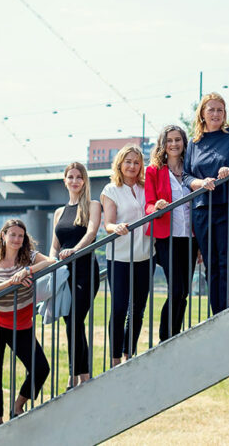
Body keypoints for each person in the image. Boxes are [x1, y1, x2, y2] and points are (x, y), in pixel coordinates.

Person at [0, 219, 55, 423]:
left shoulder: (28, 258)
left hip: (21, 323)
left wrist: (27, 271)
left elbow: (52, 261)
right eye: (12, 234)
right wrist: (11, 282)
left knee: (41, 367)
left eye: (20, 236)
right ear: (3, 236)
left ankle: (18, 404)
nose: (16, 239)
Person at [182, 93, 229, 314]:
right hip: (203, 210)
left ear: (225, 114)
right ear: (202, 113)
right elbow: (186, 176)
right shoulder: (194, 143)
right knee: (211, 264)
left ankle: (227, 312)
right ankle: (216, 313)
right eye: (210, 110)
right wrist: (201, 182)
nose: (215, 114)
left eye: (219, 110)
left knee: (227, 263)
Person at [145, 125, 200, 339]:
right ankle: (164, 337)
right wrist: (156, 207)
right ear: (163, 144)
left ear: (184, 143)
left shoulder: (192, 168)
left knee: (184, 292)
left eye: (178, 140)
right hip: (167, 238)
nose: (174, 144)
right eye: (170, 140)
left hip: (191, 238)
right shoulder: (154, 171)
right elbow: (148, 204)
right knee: (176, 289)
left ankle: (175, 336)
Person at [101, 144, 153, 363]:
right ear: (120, 164)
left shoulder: (146, 187)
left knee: (138, 309)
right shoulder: (111, 189)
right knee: (120, 307)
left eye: (136, 162)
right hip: (120, 258)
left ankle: (127, 353)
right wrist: (117, 227)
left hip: (146, 255)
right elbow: (108, 224)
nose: (132, 166)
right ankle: (114, 359)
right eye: (128, 161)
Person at [51, 161, 101, 387]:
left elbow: (91, 233)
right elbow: (55, 245)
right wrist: (51, 262)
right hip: (63, 273)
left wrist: (74, 251)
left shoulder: (93, 205)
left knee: (75, 319)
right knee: (71, 321)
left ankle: (74, 377)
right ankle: (84, 376)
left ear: (84, 181)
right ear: (65, 181)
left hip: (85, 270)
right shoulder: (59, 212)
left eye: (79, 177)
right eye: (70, 177)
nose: (74, 181)